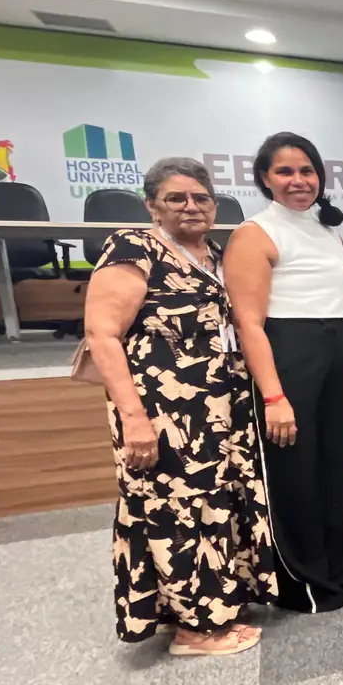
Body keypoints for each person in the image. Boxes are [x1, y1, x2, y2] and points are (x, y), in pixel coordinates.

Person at [83, 157, 275, 655]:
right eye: (176, 198)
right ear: (152, 205)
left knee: (215, 504)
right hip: (162, 411)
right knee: (175, 512)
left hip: (219, 408)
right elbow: (102, 335)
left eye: (201, 198)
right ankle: (195, 631)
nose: (191, 206)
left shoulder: (215, 254)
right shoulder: (134, 247)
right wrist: (133, 419)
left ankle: (213, 607)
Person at [224, 131, 343, 614]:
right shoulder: (254, 233)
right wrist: (274, 396)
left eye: (307, 171)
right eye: (285, 171)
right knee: (295, 473)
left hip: (335, 351)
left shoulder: (326, 230)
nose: (298, 180)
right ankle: (300, 581)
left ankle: (336, 568)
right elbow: (248, 323)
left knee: (334, 468)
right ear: (265, 178)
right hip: (287, 355)